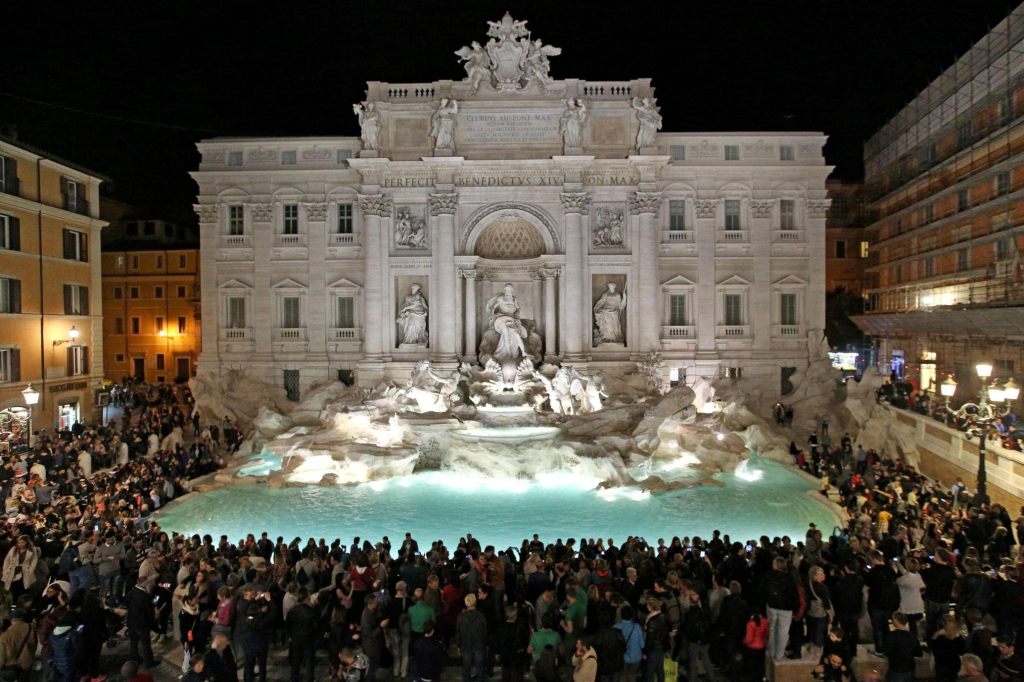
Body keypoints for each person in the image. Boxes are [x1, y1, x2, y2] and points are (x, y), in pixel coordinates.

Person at [762, 555, 798, 662]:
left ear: (776, 565)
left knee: (772, 629)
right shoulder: (789, 577)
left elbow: (762, 590)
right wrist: (795, 608)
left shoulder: (769, 575)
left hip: (771, 606)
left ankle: (771, 652)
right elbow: (794, 594)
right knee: (783, 632)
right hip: (786, 609)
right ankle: (779, 655)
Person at [286, 587, 318, 682]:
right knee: (309, 662)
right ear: (307, 597)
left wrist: (290, 636)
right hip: (308, 639)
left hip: (295, 639)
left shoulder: (292, 611)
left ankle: (294, 678)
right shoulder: (311, 611)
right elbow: (315, 626)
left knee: (295, 661)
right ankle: (309, 679)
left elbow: (288, 625)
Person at [127, 576, 159, 668]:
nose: (149, 584)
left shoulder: (130, 593)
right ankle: (149, 662)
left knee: (133, 642)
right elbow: (149, 612)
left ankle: (134, 658)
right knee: (145, 644)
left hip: (131, 622)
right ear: (143, 583)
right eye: (148, 582)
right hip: (142, 624)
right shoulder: (145, 596)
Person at [457, 593, 488, 682]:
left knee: (466, 667)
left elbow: (458, 632)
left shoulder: (461, 617)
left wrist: (458, 644)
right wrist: (486, 644)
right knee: (480, 666)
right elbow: (484, 631)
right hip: (479, 644)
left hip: (466, 644)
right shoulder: (481, 616)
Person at [882, 612, 920, 682]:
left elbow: (887, 651)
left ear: (896, 621)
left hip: (896, 670)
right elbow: (918, 652)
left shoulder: (892, 636)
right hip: (910, 669)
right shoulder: (912, 636)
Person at [0, 607, 34, 681]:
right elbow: (33, 645)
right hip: (27, 662)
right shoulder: (30, 627)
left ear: (12, 619)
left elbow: (1, 661)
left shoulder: (4, 637)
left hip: (11, 668)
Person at [929, 614, 966, 682]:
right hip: (955, 665)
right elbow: (962, 651)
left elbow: (935, 651)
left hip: (943, 667)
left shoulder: (939, 637)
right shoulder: (958, 637)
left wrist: (934, 637)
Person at [613, 605, 644, 682]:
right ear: (631, 615)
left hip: (621, 658)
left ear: (621, 615)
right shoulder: (637, 627)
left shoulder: (616, 627)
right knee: (632, 675)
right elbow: (642, 644)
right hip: (636, 657)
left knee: (622, 676)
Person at [642, 597, 667, 682]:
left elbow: (649, 638)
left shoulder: (651, 620)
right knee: (660, 669)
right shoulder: (663, 616)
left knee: (649, 672)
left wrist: (645, 652)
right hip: (662, 647)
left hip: (653, 649)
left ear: (650, 606)